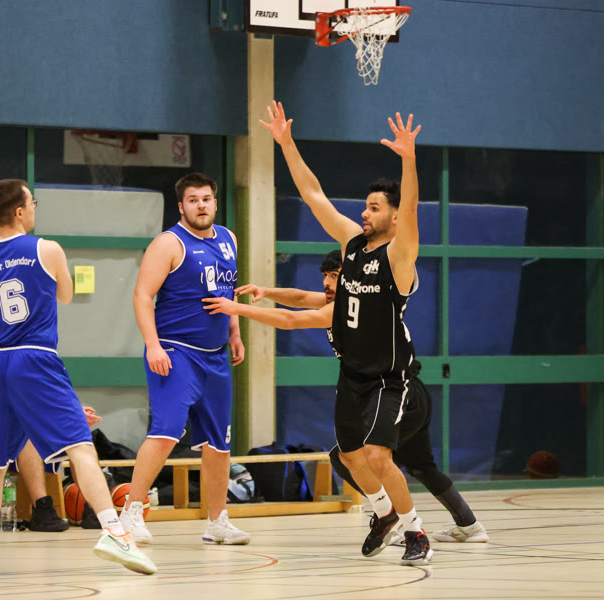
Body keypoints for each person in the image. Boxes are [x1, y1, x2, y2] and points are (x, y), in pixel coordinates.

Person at [0, 178, 156, 575]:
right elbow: (66, 295)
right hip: (35, 357)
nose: (35, 207)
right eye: (32, 201)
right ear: (19, 211)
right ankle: (115, 533)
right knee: (81, 447)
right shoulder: (47, 249)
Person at [207, 250, 489, 544]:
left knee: (352, 457)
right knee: (419, 465)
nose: (327, 283)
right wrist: (266, 292)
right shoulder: (341, 300)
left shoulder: (352, 307)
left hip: (394, 392)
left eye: (335, 276)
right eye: (325, 276)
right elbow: (301, 298)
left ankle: (390, 516)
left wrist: (237, 309)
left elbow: (291, 319)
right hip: (409, 391)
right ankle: (469, 525)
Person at [260, 100, 432, 565]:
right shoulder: (352, 245)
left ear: (393, 217)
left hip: (387, 377)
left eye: (375, 208)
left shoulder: (399, 257)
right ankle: (383, 512)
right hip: (351, 374)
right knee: (351, 457)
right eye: (366, 206)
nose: (365, 213)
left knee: (378, 456)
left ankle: (416, 532)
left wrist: (409, 161)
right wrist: (287, 144)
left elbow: (411, 210)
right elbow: (313, 194)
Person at [119, 172, 249, 546]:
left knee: (219, 444)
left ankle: (217, 521)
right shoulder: (168, 243)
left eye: (206, 198)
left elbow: (228, 290)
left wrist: (235, 331)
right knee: (166, 431)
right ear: (181, 206)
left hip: (216, 356)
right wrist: (152, 345)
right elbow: (143, 296)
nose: (201, 205)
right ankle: (131, 512)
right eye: (193, 200)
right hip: (176, 352)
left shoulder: (229, 239)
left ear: (215, 202)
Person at [0, 372, 103, 532]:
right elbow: (22, 408)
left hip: (13, 428)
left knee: (77, 432)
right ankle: (41, 509)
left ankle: (94, 508)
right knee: (25, 431)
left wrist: (74, 415)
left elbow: (52, 402)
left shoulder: (43, 366)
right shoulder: (2, 365)